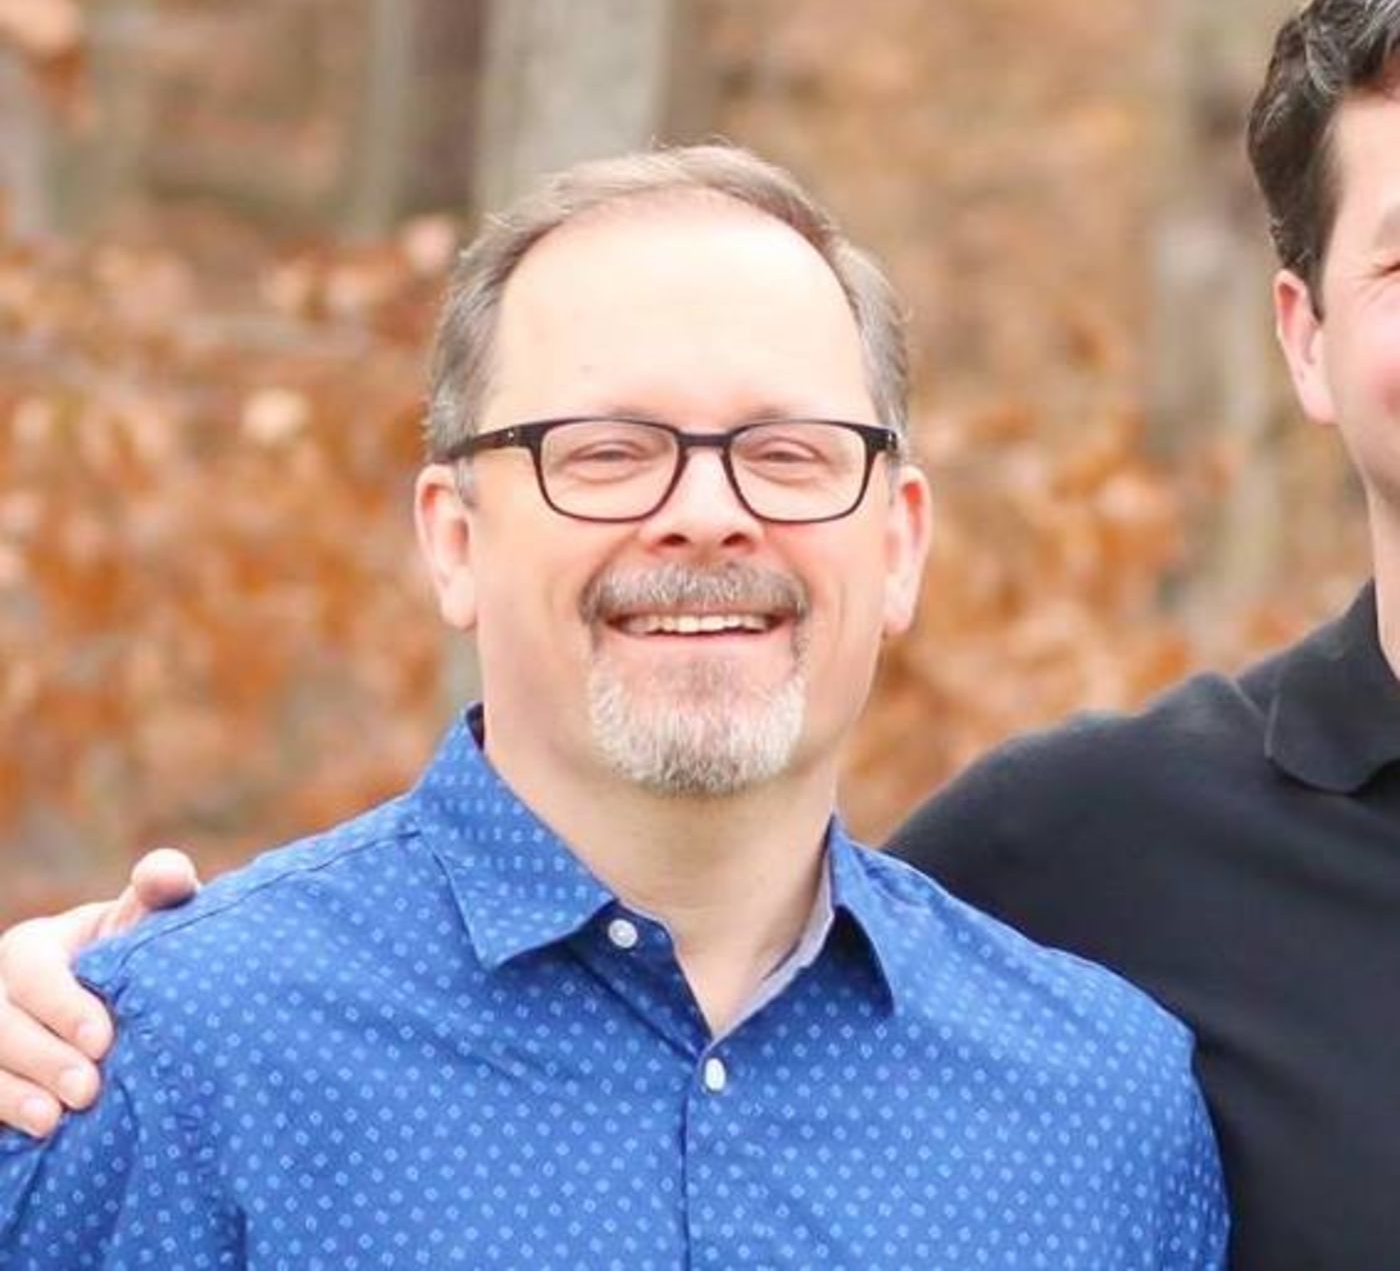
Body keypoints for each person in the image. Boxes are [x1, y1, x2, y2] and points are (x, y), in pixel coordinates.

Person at [0, 146, 1225, 1267]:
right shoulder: (164, 1067)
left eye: (786, 452)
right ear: (455, 540)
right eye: (606, 451)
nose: (706, 514)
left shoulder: (1099, 1115)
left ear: (897, 544)